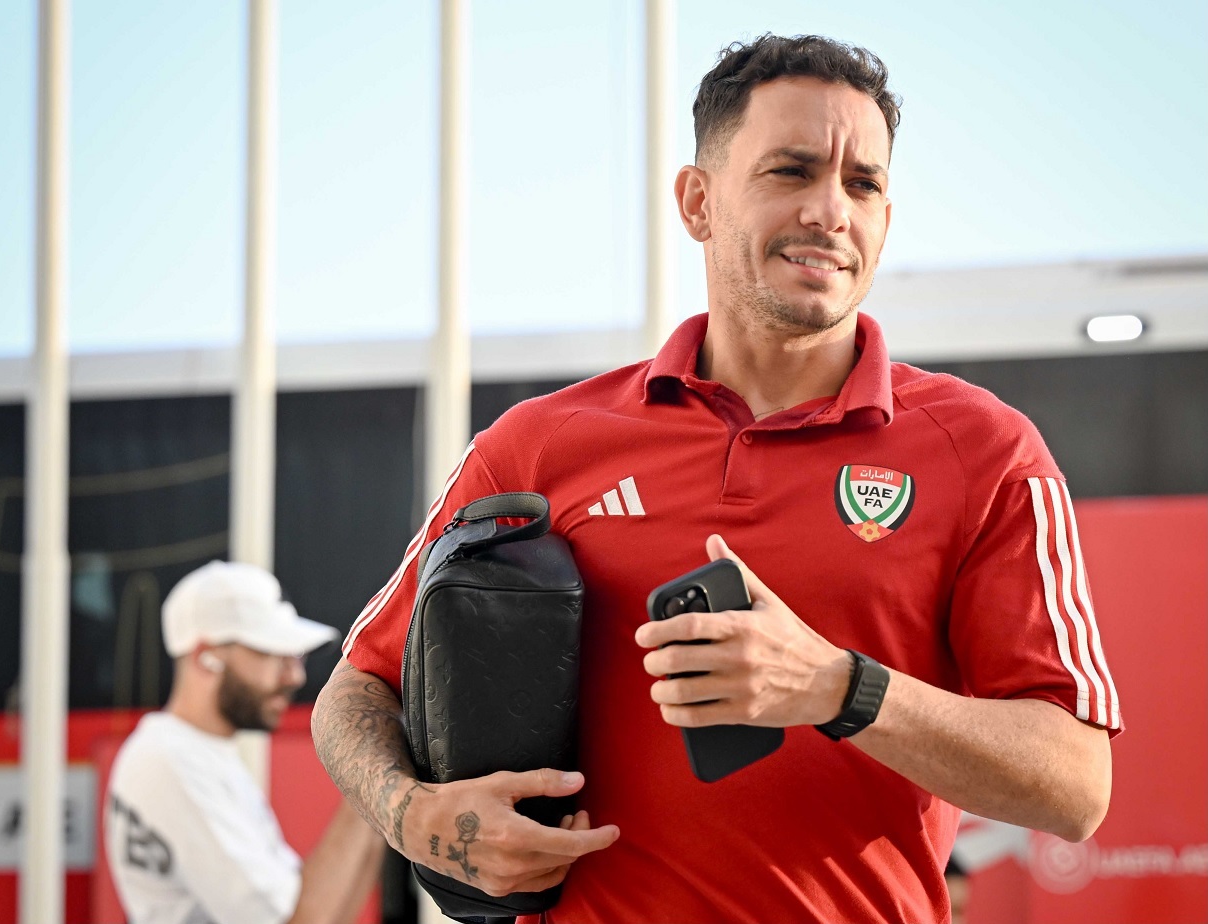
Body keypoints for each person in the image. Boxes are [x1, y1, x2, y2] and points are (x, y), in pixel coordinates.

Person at [311, 33, 1122, 924]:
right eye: (791, 171)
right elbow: (357, 685)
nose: (831, 211)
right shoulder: (538, 445)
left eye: (862, 184)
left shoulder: (986, 451)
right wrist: (413, 817)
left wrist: (838, 687)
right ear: (698, 202)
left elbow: (1077, 784)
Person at [105, 560, 386, 924]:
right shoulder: (173, 764)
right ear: (205, 658)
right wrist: (371, 770)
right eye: (270, 652)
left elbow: (326, 913)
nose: (295, 676)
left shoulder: (185, 753)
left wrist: (379, 787)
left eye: (295, 656)